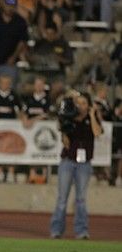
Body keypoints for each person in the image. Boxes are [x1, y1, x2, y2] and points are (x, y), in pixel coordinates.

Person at [50, 92, 103, 239]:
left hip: (84, 163)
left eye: (84, 103)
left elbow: (97, 133)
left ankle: (82, 231)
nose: (80, 106)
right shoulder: (68, 116)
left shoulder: (91, 118)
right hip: (68, 160)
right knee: (62, 198)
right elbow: (65, 141)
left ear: (89, 105)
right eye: (78, 103)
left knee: (81, 199)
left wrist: (92, 115)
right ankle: (56, 230)